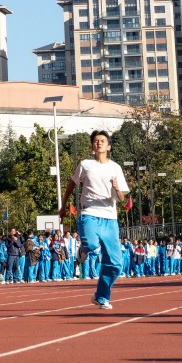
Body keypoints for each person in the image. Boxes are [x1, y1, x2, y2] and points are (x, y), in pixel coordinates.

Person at [60, 130, 130, 310]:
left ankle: (101, 296)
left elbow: (121, 198)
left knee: (116, 264)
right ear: (92, 145)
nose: (99, 143)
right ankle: (84, 248)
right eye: (96, 141)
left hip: (110, 218)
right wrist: (63, 206)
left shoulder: (115, 168)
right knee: (91, 244)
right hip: (89, 212)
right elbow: (71, 185)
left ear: (109, 146)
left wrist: (117, 188)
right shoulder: (85, 165)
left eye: (102, 141)